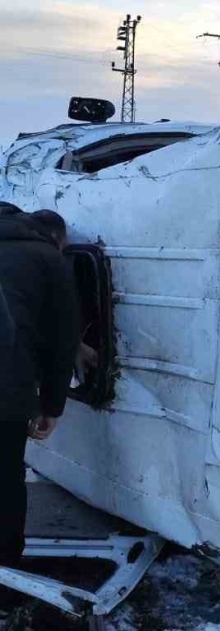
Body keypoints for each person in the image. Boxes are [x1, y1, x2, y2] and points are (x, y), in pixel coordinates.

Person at [0, 206, 80, 568]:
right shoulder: (47, 258)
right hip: (8, 390)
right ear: (56, 238)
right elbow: (61, 340)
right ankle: (5, 575)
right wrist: (51, 406)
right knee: (5, 480)